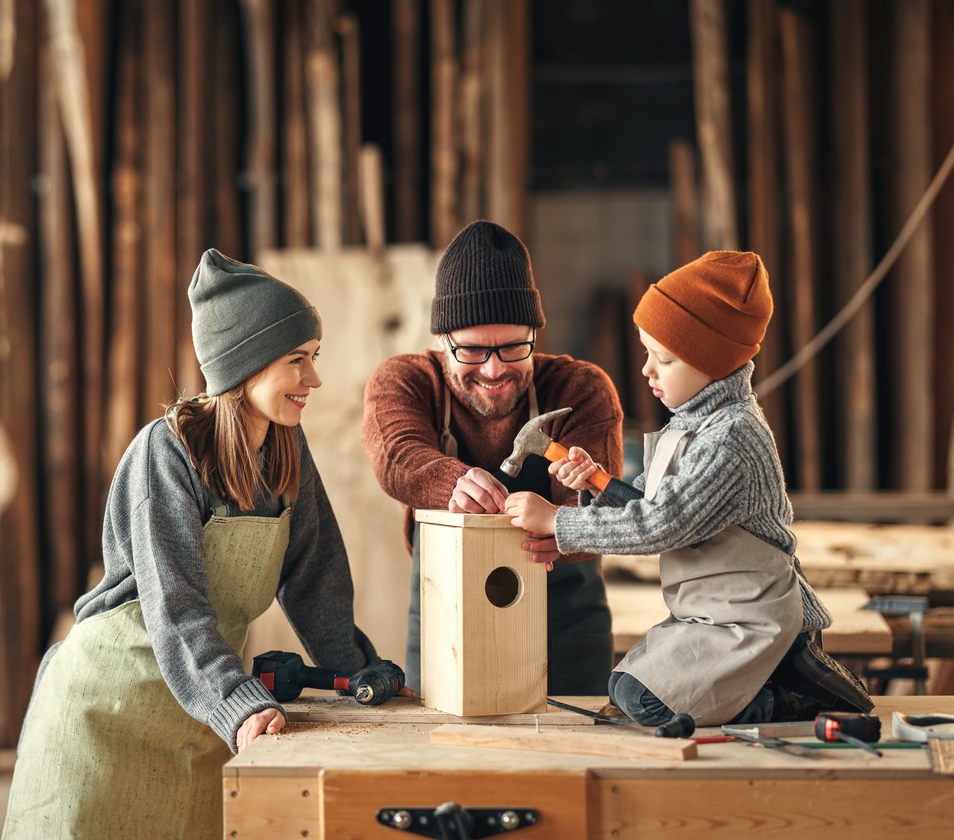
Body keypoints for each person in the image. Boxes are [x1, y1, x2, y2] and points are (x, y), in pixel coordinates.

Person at [2, 249, 403, 839]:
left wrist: (363, 679)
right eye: (298, 361)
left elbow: (317, 577)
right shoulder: (165, 453)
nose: (314, 379)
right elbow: (175, 606)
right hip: (109, 707)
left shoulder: (288, 450)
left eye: (314, 358)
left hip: (203, 710)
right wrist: (236, 702)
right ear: (248, 365)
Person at [504, 250, 873, 726]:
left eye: (664, 358)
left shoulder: (731, 438)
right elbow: (651, 505)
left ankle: (798, 690)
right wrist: (596, 483)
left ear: (712, 360)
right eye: (646, 354)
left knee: (646, 702)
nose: (646, 371)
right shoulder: (690, 427)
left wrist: (560, 521)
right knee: (620, 685)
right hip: (712, 611)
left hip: (754, 619)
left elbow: (661, 525)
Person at [361, 220, 623, 695]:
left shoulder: (581, 389)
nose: (495, 368)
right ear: (443, 340)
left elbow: (602, 515)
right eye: (474, 350)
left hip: (567, 622)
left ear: (534, 334)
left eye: (512, 346)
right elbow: (397, 456)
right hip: (447, 615)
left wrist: (567, 527)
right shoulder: (406, 382)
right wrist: (452, 483)